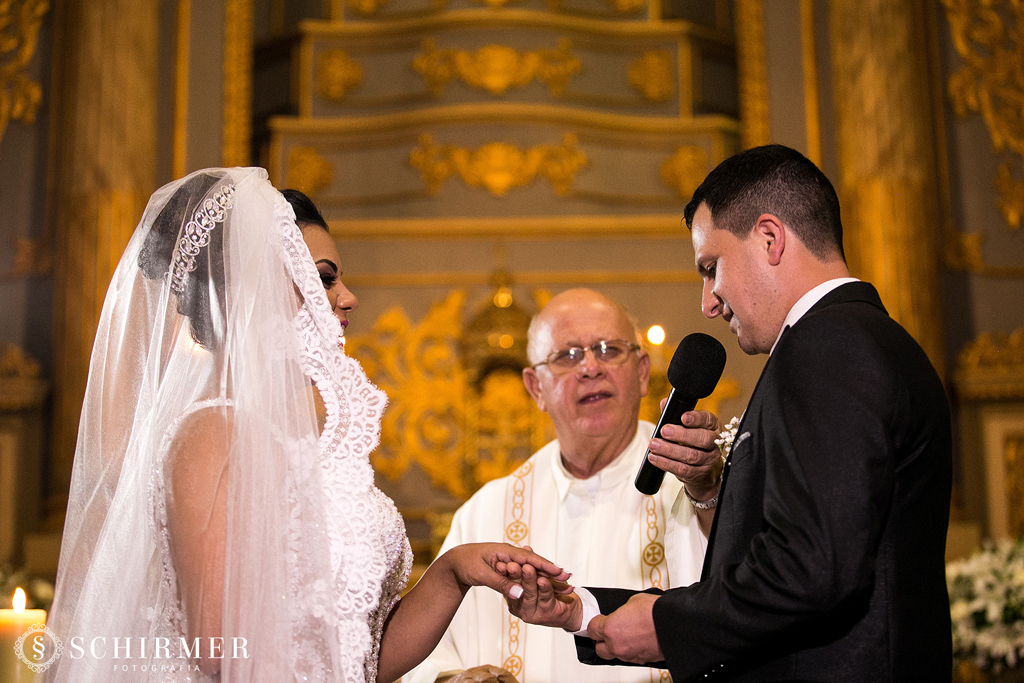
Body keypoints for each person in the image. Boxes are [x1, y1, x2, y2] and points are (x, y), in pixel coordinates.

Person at [46, 168, 568, 683]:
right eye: (323, 277)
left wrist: (455, 571)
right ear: (254, 287)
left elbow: (361, 660)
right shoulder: (211, 433)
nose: (348, 297)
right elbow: (221, 649)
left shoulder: (303, 440)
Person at [507, 145, 953, 682]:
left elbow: (814, 569)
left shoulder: (829, 346)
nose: (708, 302)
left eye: (710, 267)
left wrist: (668, 626)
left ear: (769, 238)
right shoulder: (853, 339)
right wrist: (586, 611)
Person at [404, 288, 725, 683]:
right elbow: (425, 656)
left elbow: (740, 604)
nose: (590, 368)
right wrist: (452, 679)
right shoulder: (484, 513)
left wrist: (709, 494)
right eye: (567, 356)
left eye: (609, 350)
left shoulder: (698, 481)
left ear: (643, 372)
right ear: (535, 388)